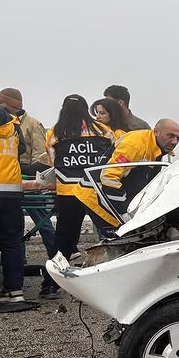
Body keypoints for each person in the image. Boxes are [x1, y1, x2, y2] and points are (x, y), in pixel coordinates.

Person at [42, 95, 118, 298]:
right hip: (96, 191)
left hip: (69, 193)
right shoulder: (103, 131)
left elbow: (53, 163)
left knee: (64, 240)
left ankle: (51, 284)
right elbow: (113, 156)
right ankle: (116, 280)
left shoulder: (55, 134)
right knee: (109, 235)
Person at [0, 88, 56, 260]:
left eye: (0, 102)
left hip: (29, 179)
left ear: (6, 103)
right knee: (15, 225)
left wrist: (27, 172)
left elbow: (41, 154)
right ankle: (19, 258)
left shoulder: (32, 124)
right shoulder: (4, 122)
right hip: (11, 180)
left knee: (42, 222)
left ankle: (55, 253)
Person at [100, 119, 179, 213]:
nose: (175, 142)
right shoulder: (135, 145)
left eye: (178, 138)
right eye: (170, 136)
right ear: (156, 132)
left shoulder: (157, 148)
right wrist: (126, 211)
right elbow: (108, 177)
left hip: (112, 196)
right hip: (95, 196)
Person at [0, 104, 24, 301]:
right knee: (12, 242)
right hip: (11, 191)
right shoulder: (14, 125)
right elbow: (21, 149)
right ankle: (15, 291)